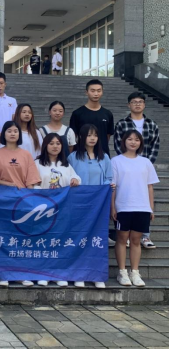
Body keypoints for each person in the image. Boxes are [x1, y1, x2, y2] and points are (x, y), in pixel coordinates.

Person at [0, 121, 41, 287]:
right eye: (9, 131)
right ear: (3, 134)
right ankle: (3, 273)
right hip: (3, 201)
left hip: (22, 202)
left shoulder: (26, 154)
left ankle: (21, 274)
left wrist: (30, 200)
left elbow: (31, 180)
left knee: (20, 239)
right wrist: (10, 185)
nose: (12, 133)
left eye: (15, 131)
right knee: (3, 238)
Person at [112, 130, 159, 287]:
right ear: (124, 141)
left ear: (141, 143)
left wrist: (151, 208)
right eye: (130, 139)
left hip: (142, 207)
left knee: (136, 240)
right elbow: (113, 187)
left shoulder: (145, 162)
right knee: (121, 239)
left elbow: (150, 186)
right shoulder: (116, 161)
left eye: (136, 139)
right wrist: (113, 208)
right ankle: (122, 272)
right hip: (123, 206)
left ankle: (135, 272)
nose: (133, 142)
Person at [114, 92, 160, 249]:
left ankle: (145, 236)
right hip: (125, 165)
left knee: (144, 198)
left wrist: (146, 163)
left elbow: (155, 145)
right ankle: (125, 235)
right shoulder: (122, 124)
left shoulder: (152, 124)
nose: (137, 104)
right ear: (129, 105)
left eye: (140, 102)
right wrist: (127, 161)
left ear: (144, 104)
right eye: (134, 102)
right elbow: (118, 144)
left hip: (144, 167)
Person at [68, 124, 112, 289]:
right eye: (89, 135)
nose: (92, 138)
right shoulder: (73, 157)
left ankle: (95, 274)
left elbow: (109, 178)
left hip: (98, 206)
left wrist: (107, 187)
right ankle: (78, 274)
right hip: (79, 205)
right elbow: (69, 178)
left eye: (95, 135)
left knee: (96, 240)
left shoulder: (104, 157)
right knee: (79, 239)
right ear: (81, 137)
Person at [34, 133, 81, 287]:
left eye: (58, 143)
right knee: (44, 242)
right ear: (45, 145)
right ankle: (43, 273)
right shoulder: (37, 163)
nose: (55, 146)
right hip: (44, 209)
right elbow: (33, 184)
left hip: (62, 209)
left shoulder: (65, 164)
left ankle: (58, 274)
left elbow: (77, 178)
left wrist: (75, 180)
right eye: (52, 143)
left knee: (59, 242)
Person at [69, 79, 114, 157]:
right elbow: (74, 136)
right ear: (86, 92)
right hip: (81, 155)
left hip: (102, 155)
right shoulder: (77, 113)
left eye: (99, 91)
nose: (96, 94)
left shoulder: (107, 114)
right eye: (92, 91)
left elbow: (107, 136)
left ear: (102, 92)